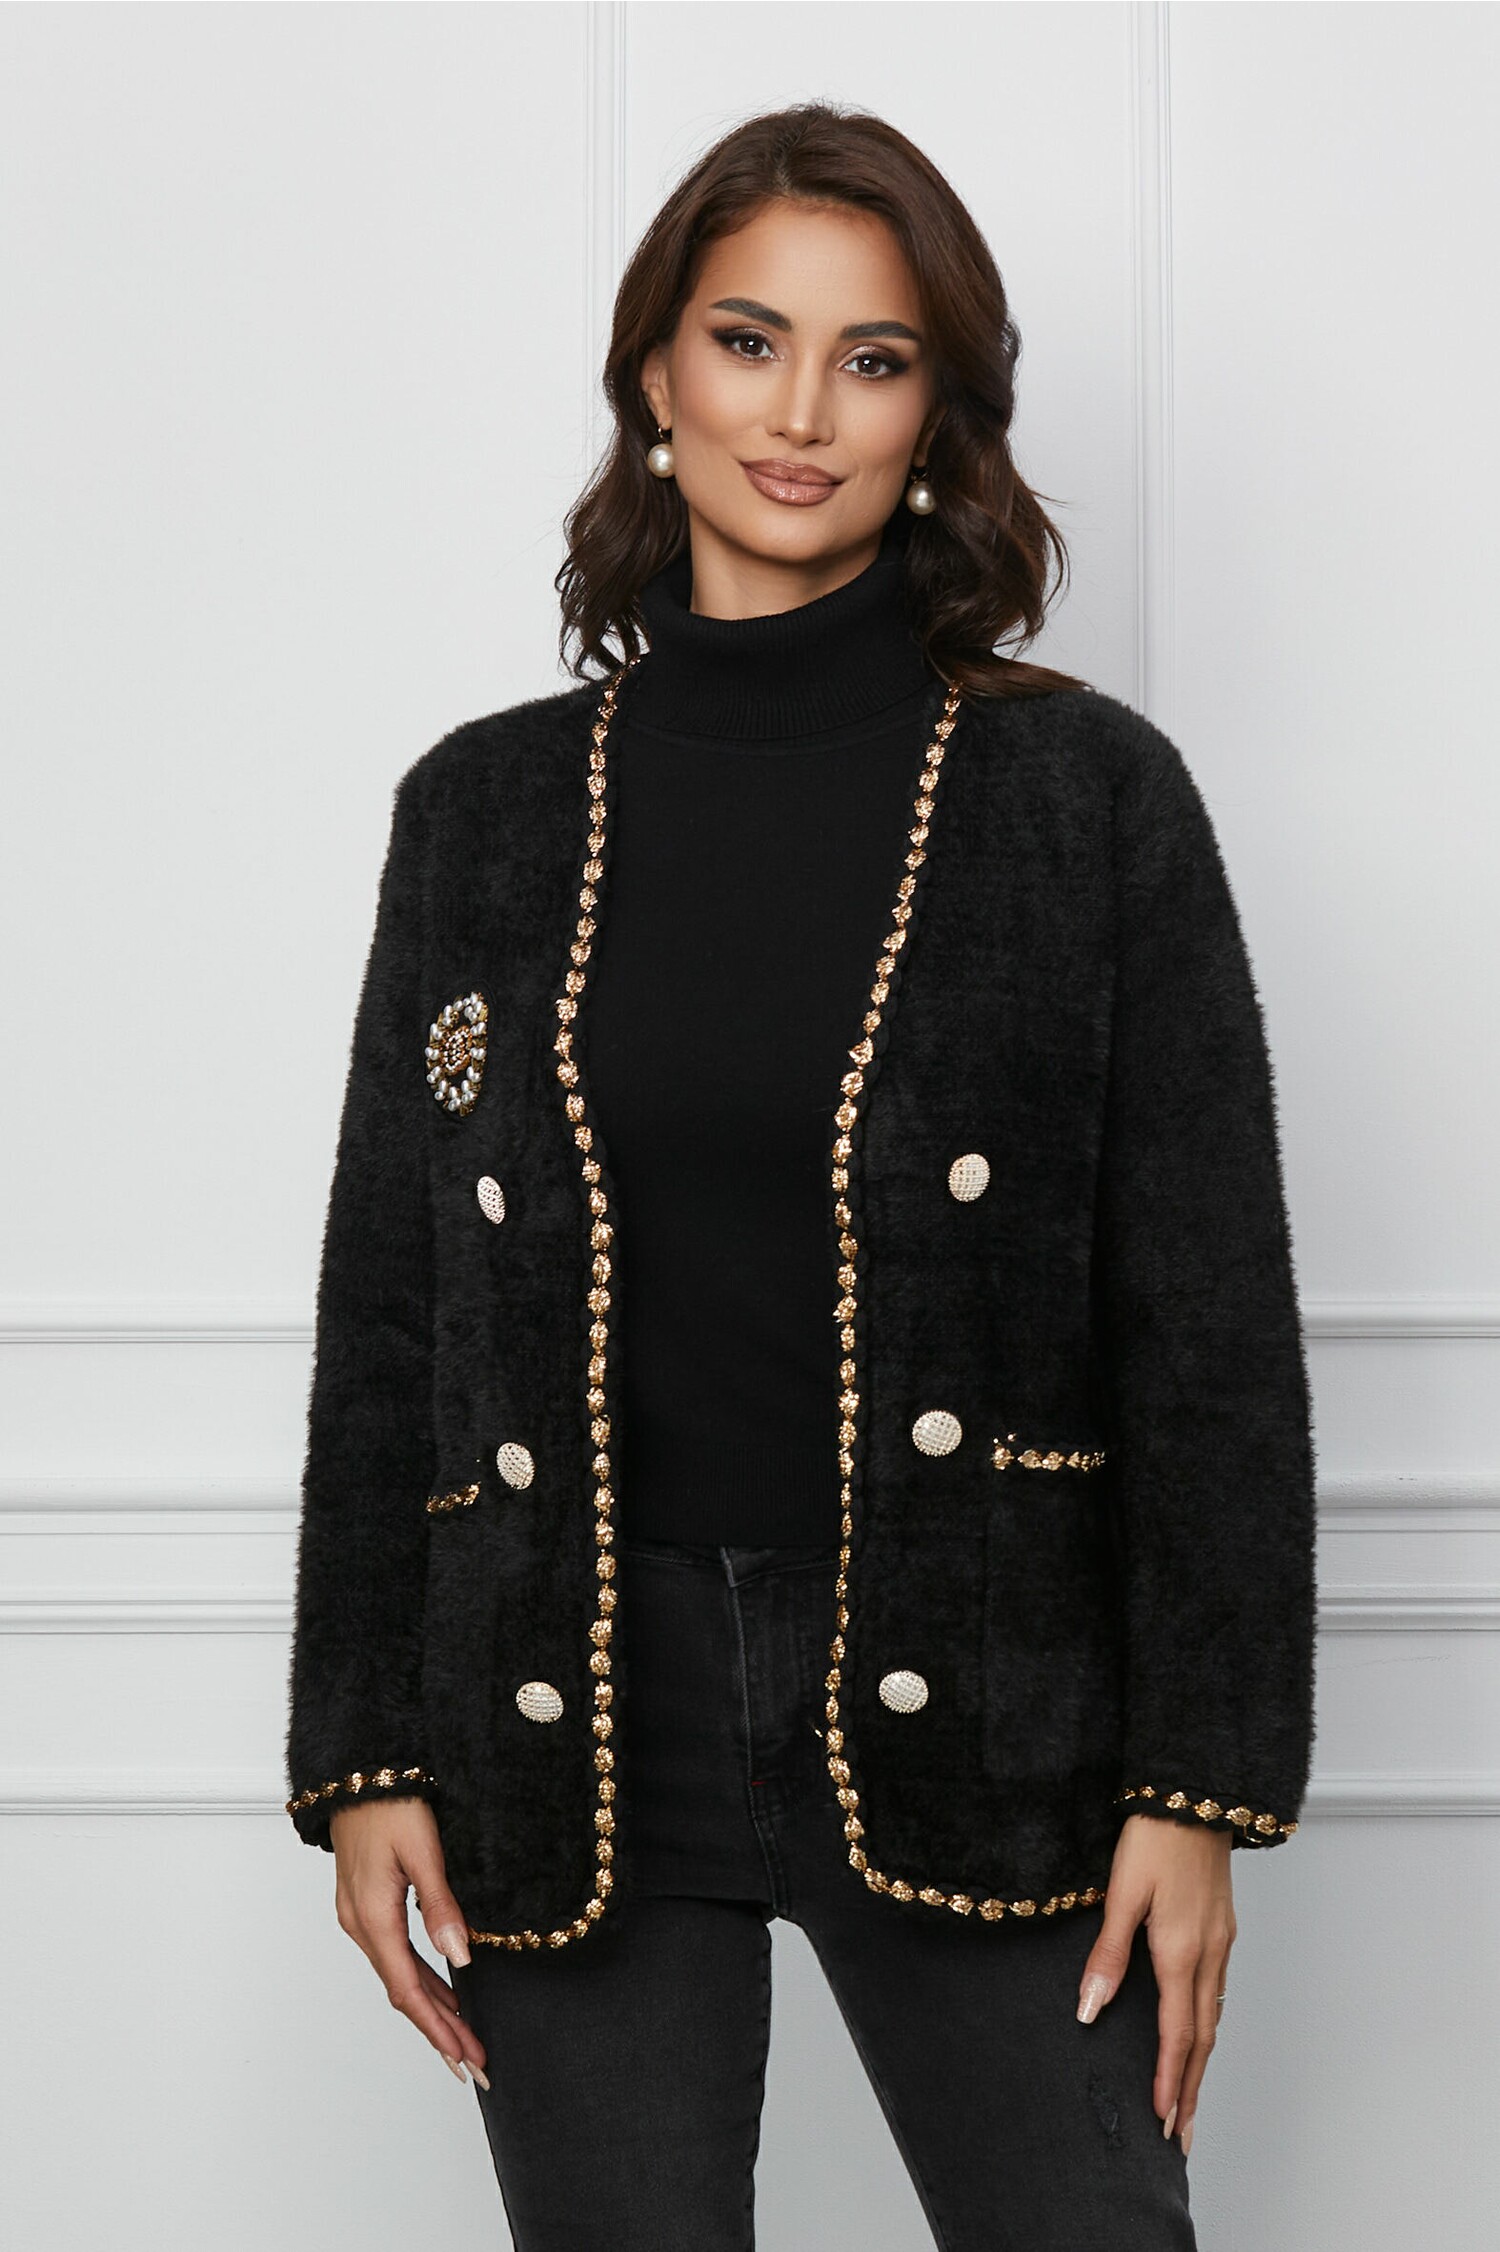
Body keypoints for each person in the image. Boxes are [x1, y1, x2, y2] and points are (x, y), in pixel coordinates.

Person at [284, 102, 1317, 2252]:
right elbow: (391, 1313)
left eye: (874, 358)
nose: (801, 413)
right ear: (656, 373)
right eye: (749, 340)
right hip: (570, 1713)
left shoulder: (1085, 798)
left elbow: (1207, 1326)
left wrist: (1197, 1792)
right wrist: (362, 1749)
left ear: (939, 414)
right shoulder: (480, 813)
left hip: (990, 1704)